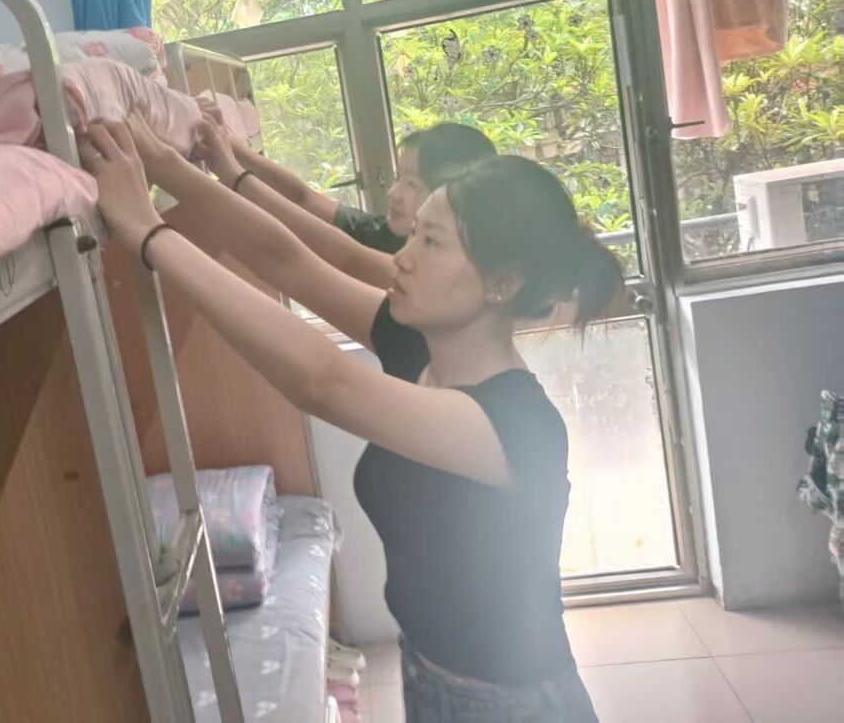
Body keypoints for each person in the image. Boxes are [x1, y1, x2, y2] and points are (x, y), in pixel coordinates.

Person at [76, 114, 620, 723]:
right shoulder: (418, 347)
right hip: (428, 678)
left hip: (514, 706)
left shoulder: (518, 424)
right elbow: (286, 260)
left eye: (431, 242)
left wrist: (149, 234)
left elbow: (323, 382)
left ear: (503, 282)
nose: (401, 259)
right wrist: (166, 166)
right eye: (413, 236)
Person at [206, 111, 496, 288]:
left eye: (411, 184)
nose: (393, 193)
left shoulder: (439, 272)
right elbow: (304, 199)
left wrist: (232, 175)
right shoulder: (395, 235)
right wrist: (236, 151)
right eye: (398, 178)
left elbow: (348, 260)